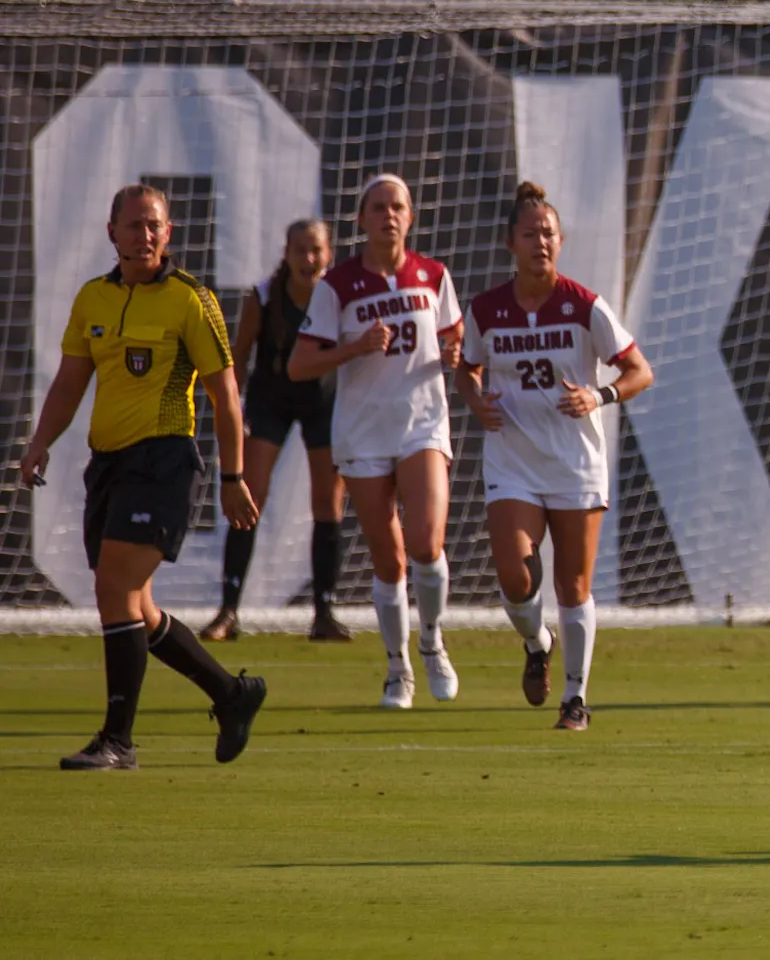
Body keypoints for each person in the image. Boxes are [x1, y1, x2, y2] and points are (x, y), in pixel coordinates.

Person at [19, 184, 267, 770]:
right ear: (112, 233)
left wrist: (233, 477)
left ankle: (118, 741)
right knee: (140, 607)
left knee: (113, 588)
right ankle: (233, 695)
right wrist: (38, 444)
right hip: (108, 466)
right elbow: (70, 383)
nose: (145, 234)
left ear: (169, 233)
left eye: (155, 225)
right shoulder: (92, 300)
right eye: (134, 225)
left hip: (164, 462)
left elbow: (225, 394)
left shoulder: (190, 299)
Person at [456, 181, 654, 731]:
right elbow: (466, 369)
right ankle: (536, 642)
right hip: (513, 459)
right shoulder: (487, 309)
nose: (541, 241)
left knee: (573, 586)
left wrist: (600, 394)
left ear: (560, 241)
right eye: (530, 233)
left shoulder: (584, 305)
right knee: (516, 576)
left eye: (549, 233)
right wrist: (475, 399)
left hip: (574, 460)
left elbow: (640, 371)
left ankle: (575, 699)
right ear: (510, 244)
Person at [287, 173, 463, 709]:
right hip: (363, 431)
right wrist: (354, 347)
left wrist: (456, 355)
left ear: (411, 217)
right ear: (360, 219)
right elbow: (298, 365)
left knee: (427, 544)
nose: (389, 215)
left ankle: (431, 641)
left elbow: (455, 336)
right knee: (389, 562)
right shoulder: (337, 285)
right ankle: (397, 666)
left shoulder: (433, 275)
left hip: (421, 424)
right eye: (378, 207)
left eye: (399, 207)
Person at [199, 219, 351, 643]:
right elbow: (239, 357)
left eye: (316, 250)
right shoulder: (263, 297)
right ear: (285, 253)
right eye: (300, 249)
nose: (309, 258)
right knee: (251, 495)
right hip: (271, 402)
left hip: (322, 402)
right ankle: (228, 611)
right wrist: (231, 415)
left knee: (328, 499)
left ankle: (324, 613)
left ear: (329, 254)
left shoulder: (337, 298)